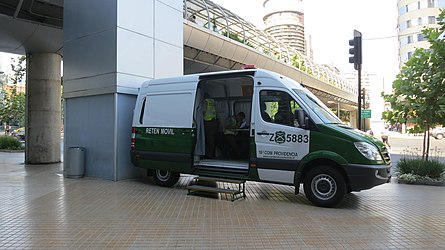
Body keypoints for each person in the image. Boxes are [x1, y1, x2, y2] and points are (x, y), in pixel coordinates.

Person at [202, 93, 217, 159]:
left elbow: (203, 111)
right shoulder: (213, 101)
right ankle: (211, 154)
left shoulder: (205, 102)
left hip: (207, 121)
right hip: (214, 121)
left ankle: (205, 154)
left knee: (205, 138)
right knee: (211, 139)